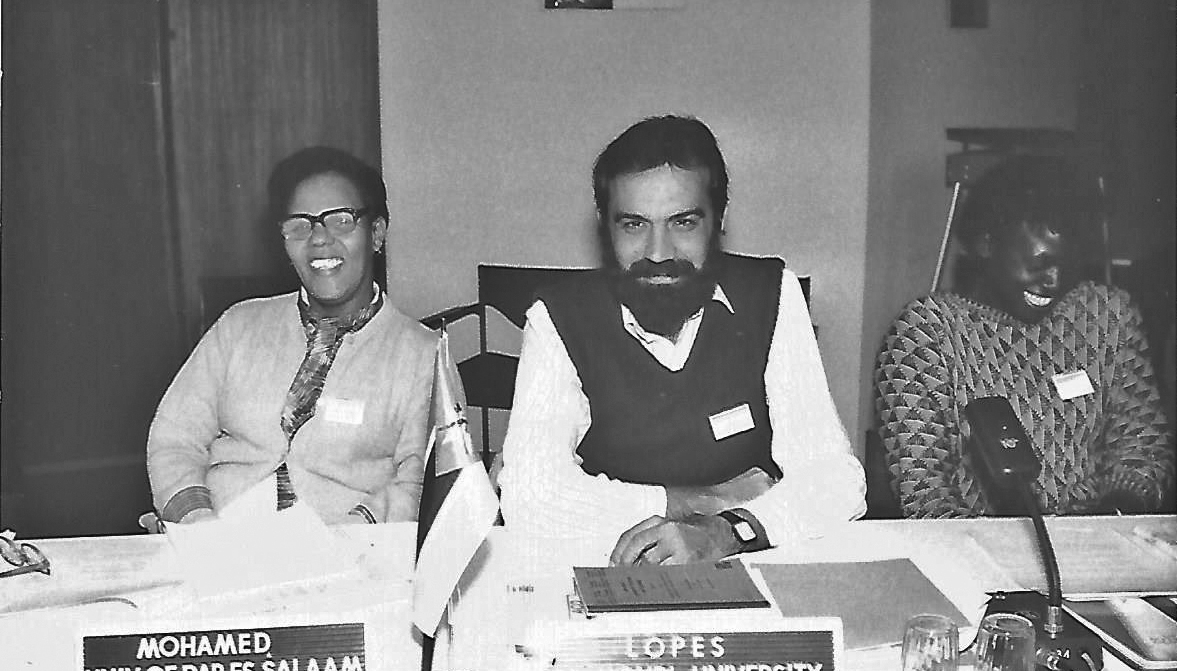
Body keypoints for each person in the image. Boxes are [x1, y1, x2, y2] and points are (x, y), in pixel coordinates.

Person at [498, 115, 865, 564]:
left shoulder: (771, 294)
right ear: (604, 226)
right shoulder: (557, 316)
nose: (658, 253)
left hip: (746, 563)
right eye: (634, 225)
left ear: (719, 218)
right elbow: (530, 497)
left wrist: (727, 531)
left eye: (683, 223)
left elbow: (835, 480)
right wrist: (706, 501)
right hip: (611, 566)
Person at [147, 146, 435, 526]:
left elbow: (419, 484)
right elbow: (173, 438)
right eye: (300, 225)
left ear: (376, 234)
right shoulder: (238, 326)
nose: (319, 239)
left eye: (341, 221)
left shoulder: (423, 356)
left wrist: (345, 540)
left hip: (348, 549)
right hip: (216, 536)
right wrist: (197, 523)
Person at [875, 154, 1174, 518]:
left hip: (1100, 531)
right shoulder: (925, 333)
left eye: (1066, 266)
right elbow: (924, 489)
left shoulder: (1109, 316)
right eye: (1040, 264)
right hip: (980, 542)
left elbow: (1142, 445)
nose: (1054, 281)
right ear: (987, 244)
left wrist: (1110, 516)